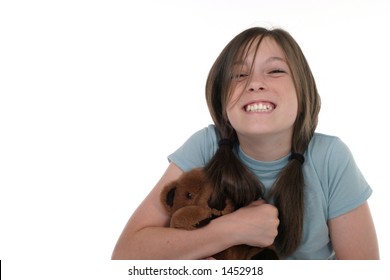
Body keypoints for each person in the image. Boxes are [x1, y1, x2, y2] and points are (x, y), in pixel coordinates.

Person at [111, 27, 379, 260]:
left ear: (303, 92)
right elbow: (126, 254)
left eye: (275, 70)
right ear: (221, 100)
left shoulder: (331, 156)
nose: (255, 84)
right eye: (239, 75)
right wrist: (231, 229)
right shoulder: (206, 145)